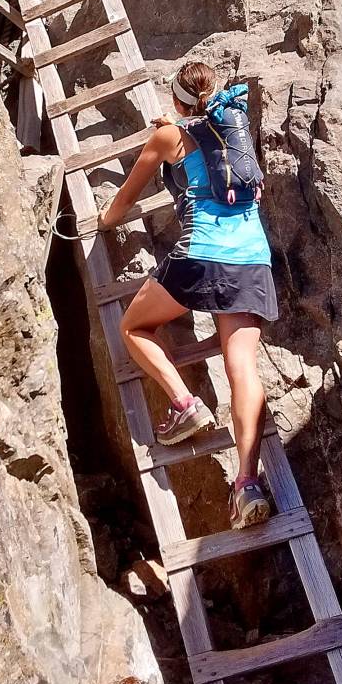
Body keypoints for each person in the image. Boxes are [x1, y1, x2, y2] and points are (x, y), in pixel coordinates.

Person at [98, 62, 278, 529]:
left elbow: (125, 200)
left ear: (176, 100)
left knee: (134, 327)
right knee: (243, 367)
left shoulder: (167, 139)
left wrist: (104, 221)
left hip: (201, 256)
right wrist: (174, 125)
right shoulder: (232, 126)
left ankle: (184, 406)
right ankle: (247, 484)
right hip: (252, 258)